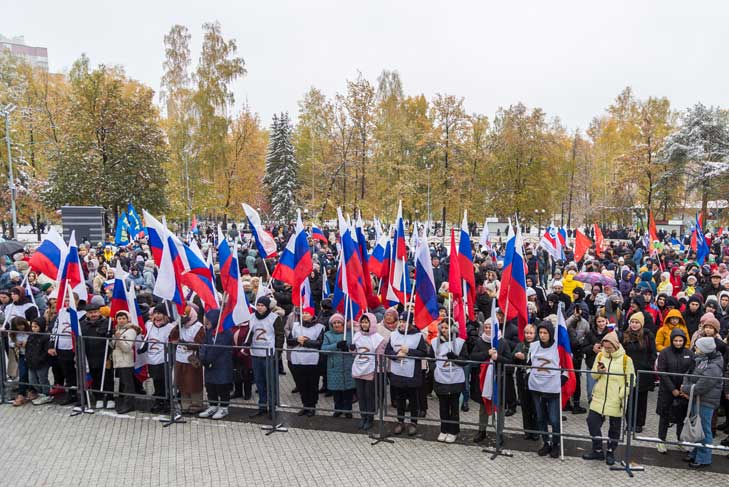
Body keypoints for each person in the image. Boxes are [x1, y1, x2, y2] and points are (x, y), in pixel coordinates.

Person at [582, 330, 635, 466]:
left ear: (616, 345)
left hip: (616, 397)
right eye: (605, 347)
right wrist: (599, 371)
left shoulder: (626, 360)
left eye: (609, 348)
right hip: (599, 396)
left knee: (615, 427)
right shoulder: (600, 356)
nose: (607, 350)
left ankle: (611, 451)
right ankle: (598, 449)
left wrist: (623, 392)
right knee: (592, 421)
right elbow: (593, 375)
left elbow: (631, 379)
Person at [680, 337, 725, 468]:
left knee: (704, 429)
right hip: (699, 399)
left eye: (698, 347)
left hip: (706, 401)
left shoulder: (713, 366)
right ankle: (696, 452)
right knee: (698, 427)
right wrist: (687, 385)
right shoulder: (703, 360)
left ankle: (704, 457)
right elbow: (691, 375)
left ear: (705, 350)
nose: (695, 349)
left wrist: (685, 389)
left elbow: (702, 386)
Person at [527, 319, 568, 458]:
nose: (543, 335)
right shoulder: (534, 346)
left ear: (550, 333)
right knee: (540, 418)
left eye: (545, 332)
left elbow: (566, 367)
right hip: (536, 387)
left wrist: (560, 381)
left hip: (552, 389)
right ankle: (546, 442)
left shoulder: (558, 348)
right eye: (540, 332)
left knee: (554, 419)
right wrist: (529, 376)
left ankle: (556, 444)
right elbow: (528, 364)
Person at [385, 312, 427, 436]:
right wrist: (395, 356)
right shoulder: (393, 335)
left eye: (405, 322)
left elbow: (423, 353)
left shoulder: (418, 336)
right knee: (400, 399)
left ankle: (413, 422)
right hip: (397, 372)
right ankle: (400, 421)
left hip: (412, 374)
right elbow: (388, 350)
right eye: (401, 321)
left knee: (413, 400)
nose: (402, 324)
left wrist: (409, 351)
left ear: (410, 323)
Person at [655, 328, 693, 453]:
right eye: (675, 340)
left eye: (680, 340)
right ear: (672, 341)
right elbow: (662, 372)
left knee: (681, 417)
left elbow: (691, 371)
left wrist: (684, 388)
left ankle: (680, 440)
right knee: (664, 415)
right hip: (667, 390)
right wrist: (672, 389)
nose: (678, 343)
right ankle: (661, 440)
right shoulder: (665, 353)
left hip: (683, 390)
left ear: (684, 341)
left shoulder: (689, 353)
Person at [430, 319, 469, 443]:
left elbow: (465, 361)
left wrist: (455, 358)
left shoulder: (460, 342)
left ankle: (453, 431)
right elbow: (431, 358)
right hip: (441, 378)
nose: (444, 330)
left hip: (455, 379)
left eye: (447, 328)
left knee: (454, 406)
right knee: (443, 406)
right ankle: (444, 429)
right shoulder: (434, 342)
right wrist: (434, 368)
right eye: (442, 328)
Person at [246, 296, 283, 417]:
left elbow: (279, 336)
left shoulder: (274, 318)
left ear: (267, 307)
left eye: (262, 305)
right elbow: (251, 333)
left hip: (269, 354)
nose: (260, 308)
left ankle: (272, 407)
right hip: (256, 353)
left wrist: (278, 352)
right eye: (258, 305)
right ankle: (262, 405)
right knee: (259, 381)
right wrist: (247, 342)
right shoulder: (252, 317)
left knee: (270, 382)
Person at [287, 306, 325, 416]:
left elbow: (319, 343)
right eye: (303, 313)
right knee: (301, 384)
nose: (304, 315)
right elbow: (289, 341)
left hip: (312, 360)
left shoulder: (320, 327)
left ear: (312, 315)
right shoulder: (296, 326)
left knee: (312, 384)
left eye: (307, 313)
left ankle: (312, 406)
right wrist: (296, 340)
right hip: (298, 359)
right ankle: (305, 405)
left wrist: (306, 342)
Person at [622, 312, 656, 433]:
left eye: (637, 322)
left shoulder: (648, 336)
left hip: (643, 373)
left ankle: (639, 423)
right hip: (628, 372)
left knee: (641, 399)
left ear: (641, 324)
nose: (634, 325)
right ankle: (629, 422)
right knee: (629, 398)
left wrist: (648, 366)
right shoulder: (625, 335)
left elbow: (653, 353)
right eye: (632, 322)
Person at [351, 312, 385, 431]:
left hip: (371, 369)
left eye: (366, 322)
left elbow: (380, 356)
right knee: (361, 395)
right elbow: (355, 353)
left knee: (369, 395)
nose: (364, 324)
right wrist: (352, 349)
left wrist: (378, 370)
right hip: (359, 367)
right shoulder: (357, 335)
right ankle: (363, 416)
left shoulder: (378, 338)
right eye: (363, 322)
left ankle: (370, 418)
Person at [198, 309, 234, 420]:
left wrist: (207, 359)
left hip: (222, 364)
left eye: (208, 320)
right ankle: (212, 405)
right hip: (209, 365)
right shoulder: (209, 331)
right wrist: (202, 356)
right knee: (210, 385)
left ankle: (224, 407)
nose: (206, 323)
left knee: (222, 386)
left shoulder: (226, 332)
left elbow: (217, 349)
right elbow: (204, 344)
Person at [169, 306, 205, 414]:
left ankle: (196, 403)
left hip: (192, 359)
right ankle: (185, 404)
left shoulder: (198, 327)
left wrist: (188, 344)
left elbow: (200, 343)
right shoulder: (181, 326)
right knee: (182, 381)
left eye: (186, 315)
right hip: (180, 358)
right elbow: (172, 337)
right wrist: (177, 325)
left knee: (193, 381)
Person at [81, 295, 114, 410]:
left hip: (105, 356)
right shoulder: (83, 325)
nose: (93, 315)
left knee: (108, 378)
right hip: (90, 356)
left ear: (99, 312)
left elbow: (110, 338)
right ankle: (98, 397)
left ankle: (110, 397)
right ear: (87, 314)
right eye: (91, 313)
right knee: (95, 377)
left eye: (95, 312)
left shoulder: (107, 322)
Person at [143, 302, 176, 413]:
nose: (157, 316)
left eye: (160, 313)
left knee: (165, 381)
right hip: (151, 359)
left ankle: (167, 402)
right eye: (155, 313)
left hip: (164, 359)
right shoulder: (149, 325)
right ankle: (159, 401)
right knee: (156, 381)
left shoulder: (170, 327)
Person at [321, 311, 355, 417]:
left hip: (348, 366)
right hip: (334, 367)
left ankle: (348, 410)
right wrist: (336, 345)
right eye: (334, 323)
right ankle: (338, 408)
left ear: (343, 324)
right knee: (337, 391)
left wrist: (350, 348)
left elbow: (355, 348)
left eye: (339, 322)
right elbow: (323, 349)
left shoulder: (350, 333)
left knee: (348, 391)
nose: (336, 324)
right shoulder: (327, 335)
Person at [110, 310, 141, 414]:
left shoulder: (131, 331)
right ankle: (123, 403)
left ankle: (130, 404)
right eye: (119, 318)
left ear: (128, 319)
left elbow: (127, 348)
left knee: (128, 384)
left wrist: (118, 339)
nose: (121, 320)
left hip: (126, 361)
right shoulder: (117, 329)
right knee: (122, 384)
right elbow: (113, 345)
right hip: (117, 360)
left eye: (124, 318)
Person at [513, 323, 538, 440]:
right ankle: (527, 431)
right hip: (522, 378)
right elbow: (512, 357)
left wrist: (526, 357)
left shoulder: (538, 345)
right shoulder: (520, 345)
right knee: (525, 405)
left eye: (531, 333)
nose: (528, 335)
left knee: (535, 405)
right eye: (527, 333)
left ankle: (536, 431)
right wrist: (516, 356)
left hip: (534, 378)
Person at [25, 317, 53, 405]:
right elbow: (28, 349)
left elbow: (46, 351)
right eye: (32, 327)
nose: (33, 329)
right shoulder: (31, 336)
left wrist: (40, 359)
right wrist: (27, 358)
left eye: (36, 327)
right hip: (31, 362)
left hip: (41, 363)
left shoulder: (45, 337)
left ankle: (46, 394)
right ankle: (40, 392)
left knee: (42, 379)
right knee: (32, 379)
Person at [9, 317, 30, 406]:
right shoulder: (13, 334)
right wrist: (16, 344)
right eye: (18, 326)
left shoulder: (29, 331)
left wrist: (27, 343)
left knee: (31, 375)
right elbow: (10, 343)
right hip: (21, 355)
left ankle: (31, 391)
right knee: (23, 373)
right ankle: (21, 394)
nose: (20, 328)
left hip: (30, 355)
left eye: (21, 325)